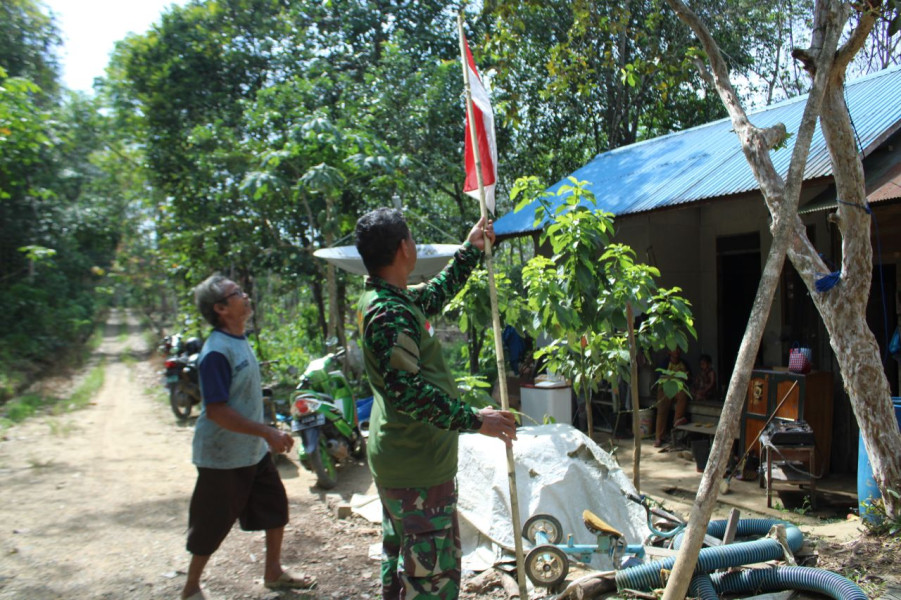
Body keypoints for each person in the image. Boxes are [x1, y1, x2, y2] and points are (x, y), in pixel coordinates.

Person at [355, 208, 518, 599]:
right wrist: (476, 420)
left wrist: (470, 250)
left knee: (404, 562)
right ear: (403, 248)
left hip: (405, 462)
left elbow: (433, 295)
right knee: (430, 578)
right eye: (411, 237)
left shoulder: (390, 299)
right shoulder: (389, 312)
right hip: (417, 471)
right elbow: (408, 393)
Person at [180, 275, 315, 600]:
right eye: (236, 293)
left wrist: (263, 435)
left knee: (275, 508)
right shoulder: (215, 352)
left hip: (251, 451)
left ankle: (273, 572)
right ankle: (190, 588)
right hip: (223, 457)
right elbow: (216, 412)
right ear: (221, 308)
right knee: (211, 523)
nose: (245, 295)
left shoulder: (238, 339)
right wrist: (267, 431)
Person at [654, 347, 690, 448]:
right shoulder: (665, 363)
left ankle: (676, 422)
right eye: (675, 349)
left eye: (679, 349)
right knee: (662, 408)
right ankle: (659, 437)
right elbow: (660, 377)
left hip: (678, 388)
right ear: (669, 352)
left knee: (683, 395)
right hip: (665, 388)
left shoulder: (684, 363)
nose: (677, 352)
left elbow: (689, 376)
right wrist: (676, 376)